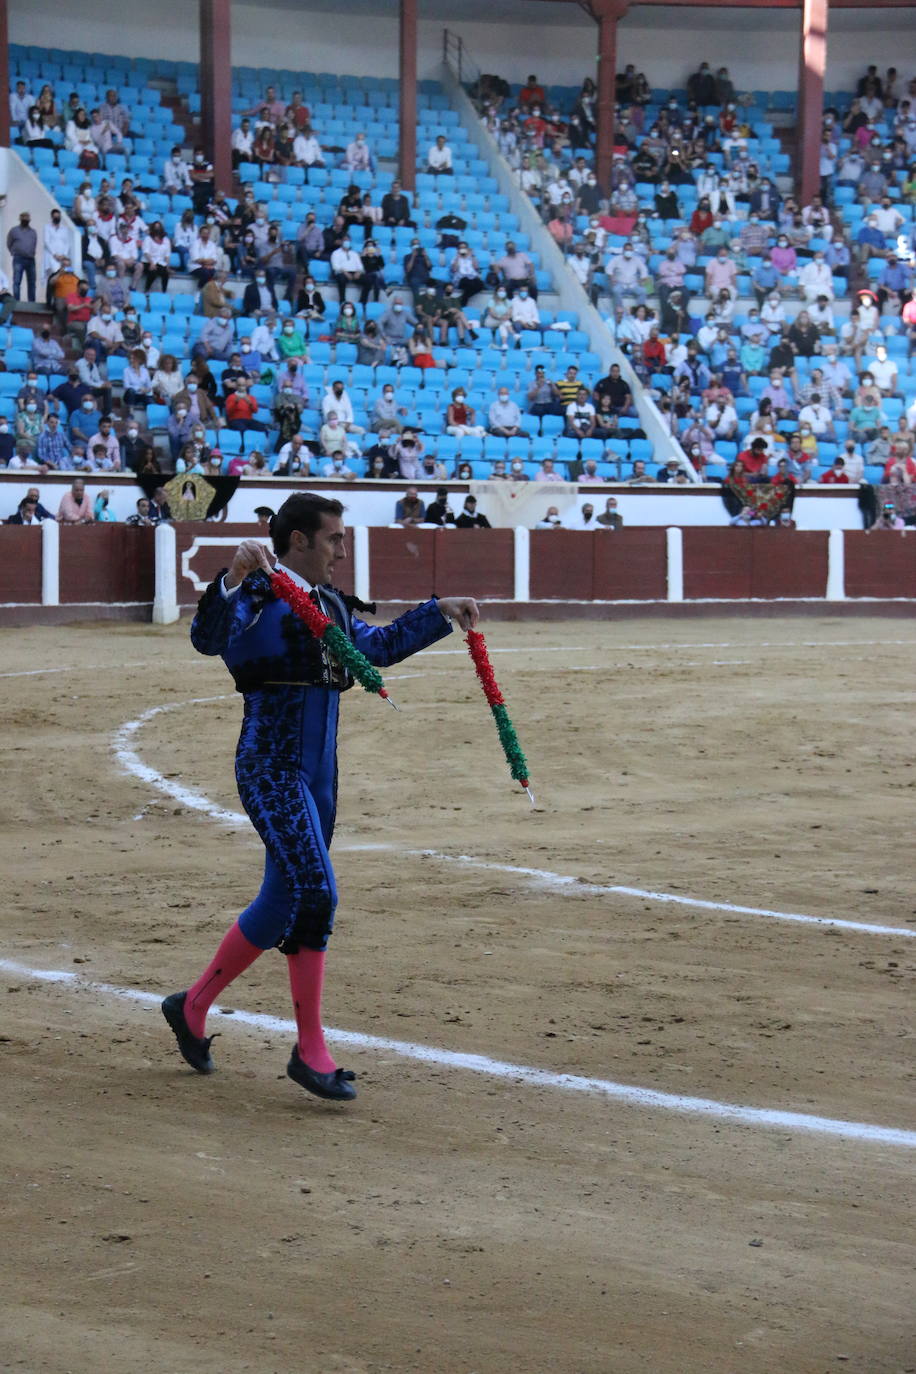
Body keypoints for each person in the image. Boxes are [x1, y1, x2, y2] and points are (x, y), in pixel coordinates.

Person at [161, 499, 479, 1096]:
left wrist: (440, 612)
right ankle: (310, 1050)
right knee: (318, 891)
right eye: (334, 539)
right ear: (301, 540)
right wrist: (230, 577)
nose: (342, 550)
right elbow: (207, 639)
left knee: (280, 901)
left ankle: (192, 1007)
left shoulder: (330, 603)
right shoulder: (256, 593)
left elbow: (375, 649)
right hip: (271, 766)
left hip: (320, 776)